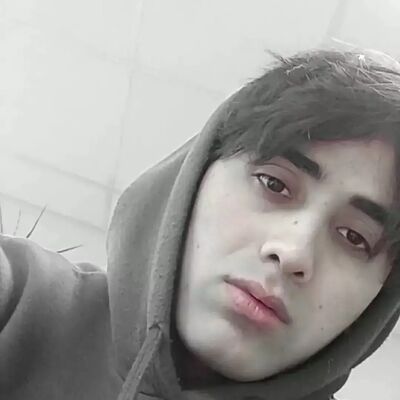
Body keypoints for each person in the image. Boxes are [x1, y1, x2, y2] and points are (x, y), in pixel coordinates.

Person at [1, 48, 400, 400]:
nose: (293, 252)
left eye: (354, 237)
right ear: (195, 177)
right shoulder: (20, 301)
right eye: (274, 183)